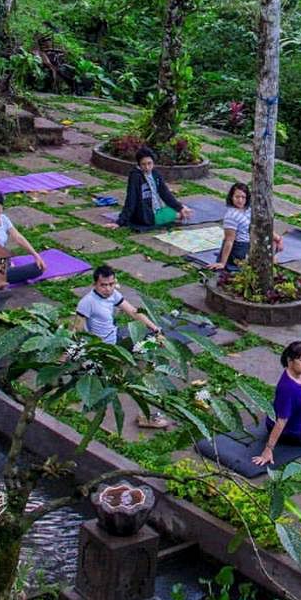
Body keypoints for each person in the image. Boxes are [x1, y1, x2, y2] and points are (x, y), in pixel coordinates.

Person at [73, 265, 169, 429]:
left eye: (111, 284)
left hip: (117, 341)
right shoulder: (87, 303)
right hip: (103, 350)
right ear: (94, 284)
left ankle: (134, 362)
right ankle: (145, 415)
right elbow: (76, 331)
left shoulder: (113, 295)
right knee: (135, 376)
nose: (108, 289)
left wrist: (154, 327)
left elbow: (133, 312)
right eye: (104, 285)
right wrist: (74, 357)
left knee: (155, 341)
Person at [207, 182, 284, 271]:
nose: (240, 200)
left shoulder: (248, 210)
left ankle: (266, 258)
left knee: (272, 240)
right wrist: (222, 263)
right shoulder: (231, 216)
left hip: (252, 241)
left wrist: (278, 239)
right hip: (241, 248)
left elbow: (262, 226)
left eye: (243, 197)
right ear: (231, 197)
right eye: (237, 197)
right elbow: (229, 241)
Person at [112, 146, 193, 229]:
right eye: (143, 164)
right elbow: (131, 199)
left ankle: (176, 212)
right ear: (139, 164)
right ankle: (171, 215)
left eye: (149, 163)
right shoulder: (135, 177)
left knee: (182, 210)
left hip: (156, 209)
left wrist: (180, 207)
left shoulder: (156, 174)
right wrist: (120, 222)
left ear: (153, 162)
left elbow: (165, 193)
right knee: (179, 215)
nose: (147, 167)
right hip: (145, 216)